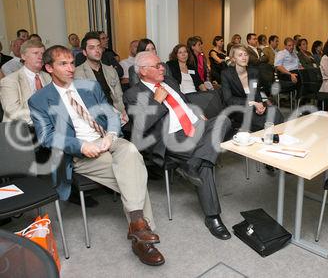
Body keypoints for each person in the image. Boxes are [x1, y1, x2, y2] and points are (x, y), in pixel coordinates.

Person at [28, 45, 164, 266]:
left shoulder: (89, 86)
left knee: (129, 150)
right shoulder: (40, 100)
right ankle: (143, 237)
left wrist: (111, 134)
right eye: (63, 64)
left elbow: (110, 112)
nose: (71, 68)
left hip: (107, 139)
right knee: (132, 171)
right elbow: (46, 137)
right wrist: (81, 146)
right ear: (49, 68)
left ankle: (138, 226)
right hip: (80, 152)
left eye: (72, 63)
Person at [124, 51, 232, 240]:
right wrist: (156, 100)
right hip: (171, 138)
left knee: (223, 120)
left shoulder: (170, 82)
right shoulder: (133, 94)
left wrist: (197, 114)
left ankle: (193, 164)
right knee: (205, 163)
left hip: (196, 126)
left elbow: (185, 101)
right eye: (157, 66)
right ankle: (213, 216)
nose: (162, 68)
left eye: (161, 64)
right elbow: (141, 126)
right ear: (142, 71)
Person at [221, 44, 284, 131]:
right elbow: (229, 99)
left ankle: (274, 137)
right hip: (238, 109)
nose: (244, 57)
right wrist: (252, 103)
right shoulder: (226, 74)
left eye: (246, 54)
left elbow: (257, 93)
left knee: (276, 112)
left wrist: (260, 106)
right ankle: (269, 137)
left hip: (255, 107)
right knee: (264, 121)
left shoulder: (254, 72)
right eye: (240, 55)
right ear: (233, 59)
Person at [74, 33, 127, 125]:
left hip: (115, 114)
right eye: (92, 48)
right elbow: (85, 102)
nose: (97, 50)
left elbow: (118, 95)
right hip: (94, 118)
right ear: (84, 52)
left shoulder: (110, 70)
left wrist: (122, 111)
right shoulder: (78, 73)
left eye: (99, 47)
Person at [0, 39, 50, 123]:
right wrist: (44, 119)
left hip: (47, 128)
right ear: (23, 56)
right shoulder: (10, 81)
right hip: (19, 130)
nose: (40, 57)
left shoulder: (47, 76)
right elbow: (13, 111)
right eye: (35, 53)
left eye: (42, 53)